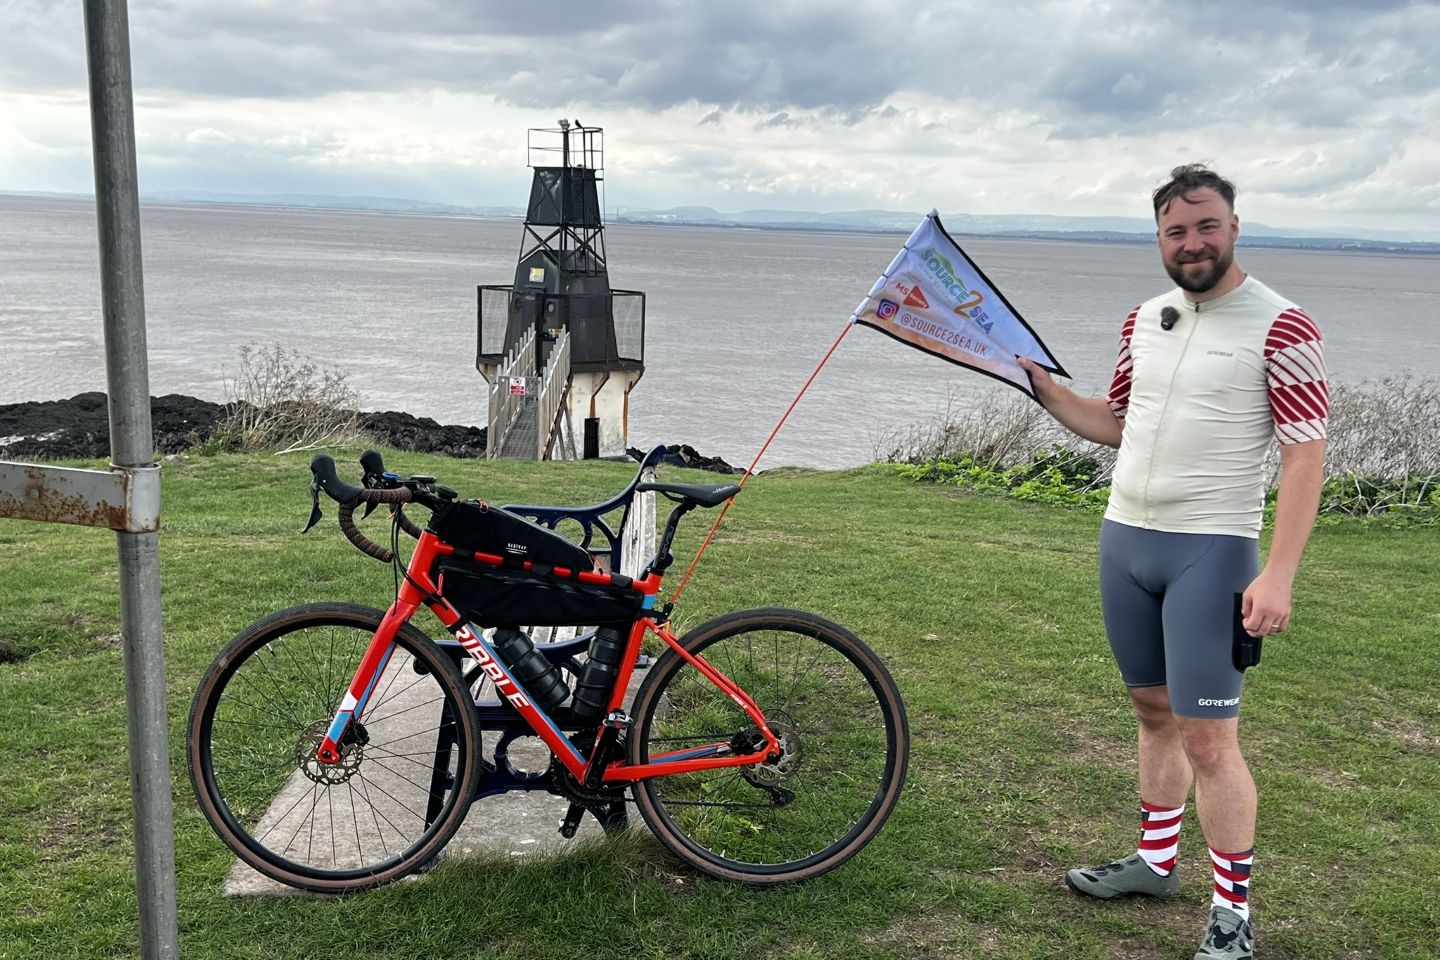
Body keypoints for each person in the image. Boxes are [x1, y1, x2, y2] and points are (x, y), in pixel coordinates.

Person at [1017, 163, 1328, 960]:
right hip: (1125, 540)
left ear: (1233, 227)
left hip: (1213, 553)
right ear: (1159, 238)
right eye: (1175, 231)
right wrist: (1037, 386)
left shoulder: (1283, 326)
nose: (1192, 243)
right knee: (1151, 712)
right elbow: (1116, 421)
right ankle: (1156, 863)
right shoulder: (1143, 319)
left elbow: (1303, 457)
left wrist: (1280, 572)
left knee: (1210, 742)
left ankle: (1234, 918)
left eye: (1206, 226)